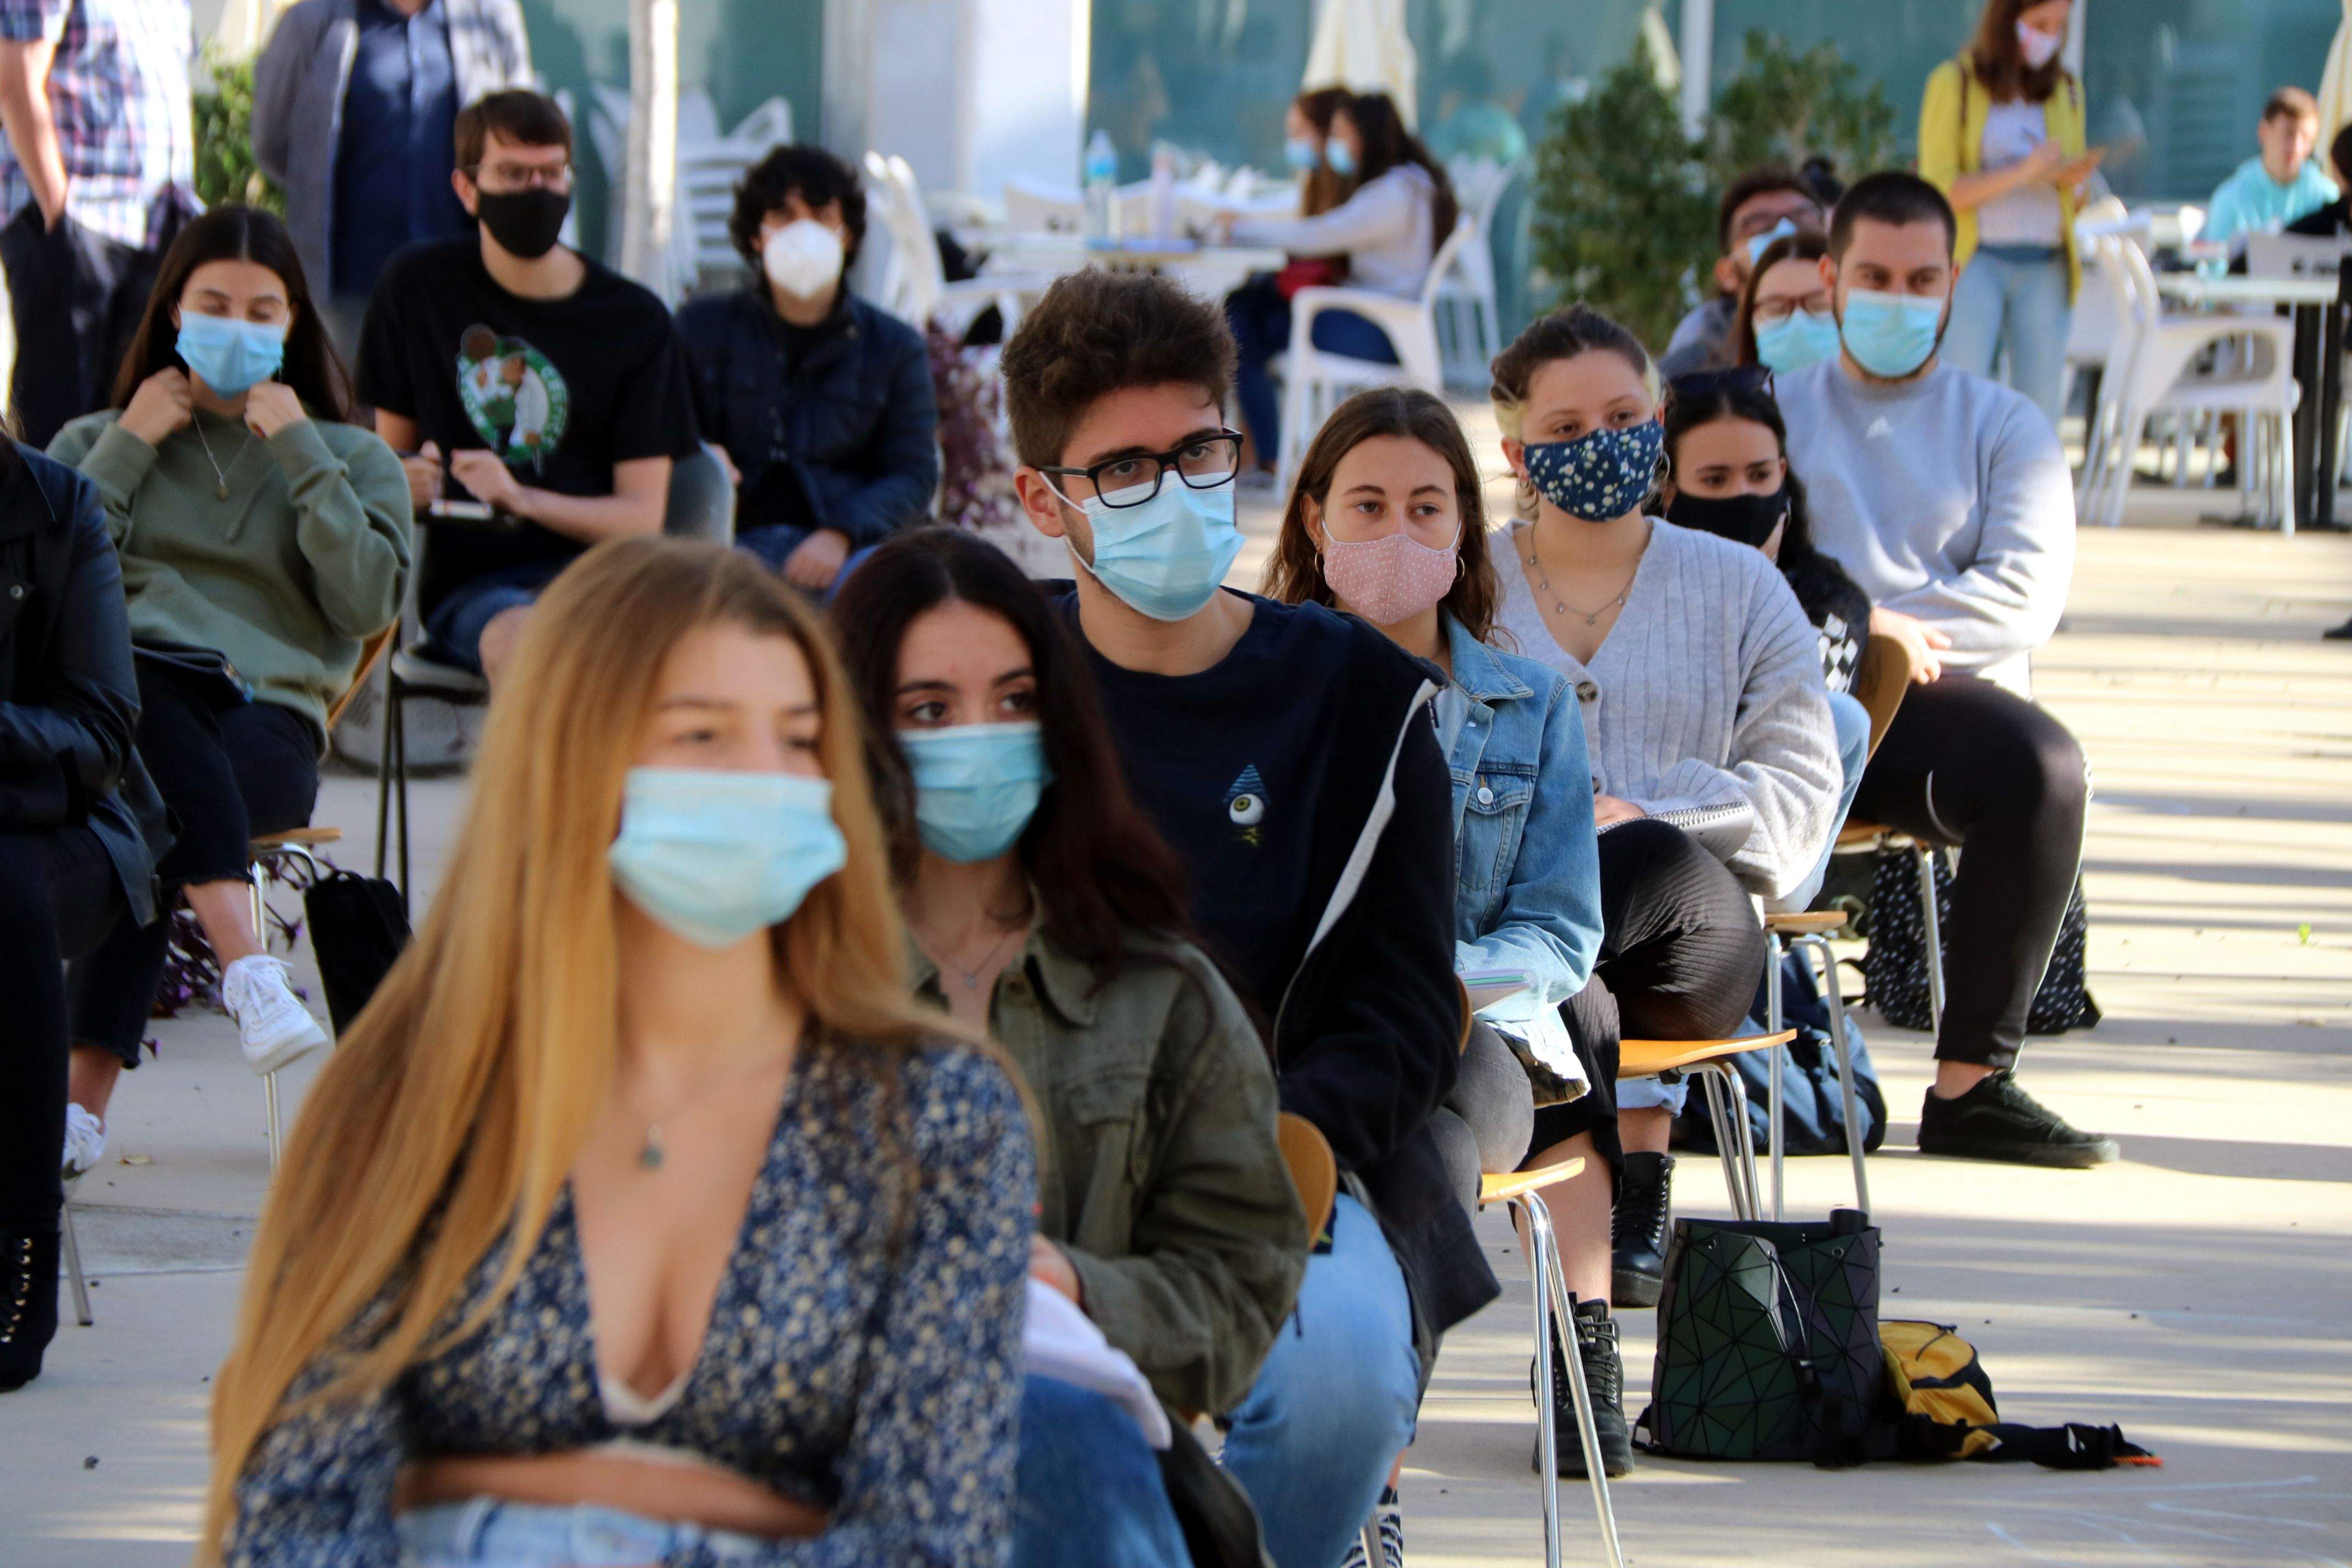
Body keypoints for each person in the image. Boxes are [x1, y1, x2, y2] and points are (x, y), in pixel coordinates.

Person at [200, 536, 1032, 1566]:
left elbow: (931, 1540)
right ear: (572, 763)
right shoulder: (415, 1094)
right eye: (704, 735)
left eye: (799, 737)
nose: (768, 779)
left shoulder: (935, 1113)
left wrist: (515, 1504)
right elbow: (298, 1518)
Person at [1003, 269, 1484, 1568]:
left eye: (1199, 449)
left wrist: (1287, 1139)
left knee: (1335, 1390)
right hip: (1022, 1149)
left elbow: (1401, 1005)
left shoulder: (1361, 700)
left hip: (1283, 1158)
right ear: (1040, 499)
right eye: (1122, 470)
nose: (1173, 489)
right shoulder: (992, 692)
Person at [834, 525, 1308, 1568]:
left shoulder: (1159, 991)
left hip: (1080, 1489)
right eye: (929, 710)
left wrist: (1079, 1290)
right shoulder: (788, 986)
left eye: (1014, 700)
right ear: (853, 732)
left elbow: (1243, 1286)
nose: (981, 736)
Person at [1261, 387, 1631, 1484]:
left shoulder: (1532, 703)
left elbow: (1562, 927)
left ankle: (1359, 1460)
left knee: (1428, 1145)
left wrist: (1429, 981)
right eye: (1367, 505)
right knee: (1374, 1146)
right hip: (1297, 1037)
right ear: (1314, 522)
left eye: (1428, 507)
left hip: (1479, 1038)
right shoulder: (1255, 684)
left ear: (1466, 527)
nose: (1398, 533)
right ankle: (1351, 1465)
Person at [1486, 305, 1841, 1338]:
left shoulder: (1739, 584)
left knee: (1613, 874)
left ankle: (1619, 1196)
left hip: (1695, 937)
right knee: (1559, 984)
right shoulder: (1470, 581)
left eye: (1623, 415)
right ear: (1515, 453)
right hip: (1529, 954)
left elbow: (1798, 801)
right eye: (1563, 429)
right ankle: (1589, 1285)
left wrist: (1658, 808)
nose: (1599, 444)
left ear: (1657, 419)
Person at [47, 204, 411, 1172]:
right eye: (214, 303)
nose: (237, 324)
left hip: (266, 722)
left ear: (294, 322)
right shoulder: (95, 437)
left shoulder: (356, 455)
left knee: (146, 809)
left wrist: (301, 450)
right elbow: (41, 591)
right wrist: (130, 440)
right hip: (122, 709)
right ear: (172, 311)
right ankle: (247, 965)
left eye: (262, 308)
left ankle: (81, 1111)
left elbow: (369, 598)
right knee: (145, 709)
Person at [1777, 169, 2115, 1168]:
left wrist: (1892, 638)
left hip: (1936, 704)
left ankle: (1973, 1083)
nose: (1897, 296)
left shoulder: (2003, 423)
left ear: (1954, 280)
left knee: (2045, 767)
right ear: (1830, 277)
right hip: (1795, 703)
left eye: (1920, 277)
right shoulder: (1770, 411)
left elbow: (2023, 594)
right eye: (1873, 275)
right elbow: (1735, 571)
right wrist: (1864, 621)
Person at [358, 89, 700, 682]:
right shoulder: (416, 288)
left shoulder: (634, 319)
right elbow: (391, 458)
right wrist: (405, 479)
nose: (536, 191)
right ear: (468, 190)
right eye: (513, 174)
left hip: (609, 585)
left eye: (551, 172)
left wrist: (520, 497)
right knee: (539, 646)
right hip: (477, 591)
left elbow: (641, 517)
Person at [0, 435, 166, 1392]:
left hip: (51, 826)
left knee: (0, 897)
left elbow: (103, 729)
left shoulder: (58, 506)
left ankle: (21, 1243)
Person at [1658, 364, 1874, 907]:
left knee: (1841, 718)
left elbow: (1776, 727)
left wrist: (1751, 590)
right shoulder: (1625, 579)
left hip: (1768, 853)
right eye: (1715, 480)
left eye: (1759, 476)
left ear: (1783, 474)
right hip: (1639, 818)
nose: (1743, 495)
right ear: (1667, 489)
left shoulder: (1828, 596)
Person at [679, 144, 938, 594]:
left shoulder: (894, 348)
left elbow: (913, 472)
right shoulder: (700, 330)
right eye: (782, 215)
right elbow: (662, 434)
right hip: (725, 542)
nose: (803, 232)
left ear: (848, 234)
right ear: (756, 236)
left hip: (850, 549)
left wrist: (841, 533)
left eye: (820, 216)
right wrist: (698, 459)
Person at [250, 0, 534, 352]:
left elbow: (524, 139)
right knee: (348, 404)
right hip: (350, 288)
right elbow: (272, 144)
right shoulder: (312, 19)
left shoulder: (487, 17)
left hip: (462, 282)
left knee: (451, 404)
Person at [1223, 91, 1460, 476]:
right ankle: (1265, 451)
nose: (1336, 146)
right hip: (1370, 320)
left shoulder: (1393, 194)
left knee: (1243, 321)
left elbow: (1321, 235)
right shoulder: (1409, 185)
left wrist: (1243, 228)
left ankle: (1268, 454)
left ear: (1367, 137)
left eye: (1342, 134)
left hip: (1376, 332)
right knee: (1246, 310)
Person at [0, 0, 195, 448]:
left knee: (137, 421)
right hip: (77, 221)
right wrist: (60, 211)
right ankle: (41, 522)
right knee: (56, 423)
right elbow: (15, 82)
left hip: (156, 225)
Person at [1919, 0, 2103, 428]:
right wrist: (2022, 173)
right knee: (1962, 405)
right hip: (1975, 262)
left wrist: (2073, 183)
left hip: (2047, 264)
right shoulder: (1955, 82)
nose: (2049, 36)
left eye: (2058, 26)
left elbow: (2073, 196)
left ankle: (2027, 495)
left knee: (2039, 412)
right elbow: (1939, 190)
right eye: (2040, 23)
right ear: (2007, 20)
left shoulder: (2067, 87)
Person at [1658, 166, 1827, 379]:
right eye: (1760, 227)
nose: (1787, 233)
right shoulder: (1698, 363)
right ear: (1727, 274)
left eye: (1803, 221)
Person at [2201, 88, 2337, 247]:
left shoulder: (2327, 197)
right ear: (2264, 132)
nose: (2296, 147)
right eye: (2289, 134)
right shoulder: (2229, 199)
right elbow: (2216, 268)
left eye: (2306, 138)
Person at [1734, 229, 1841, 375]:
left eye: (1819, 305)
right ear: (1751, 319)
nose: (1799, 322)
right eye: (1776, 309)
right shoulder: (1725, 398)